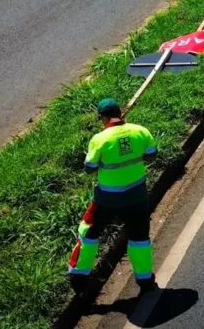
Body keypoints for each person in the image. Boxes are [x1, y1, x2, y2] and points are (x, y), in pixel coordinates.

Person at [67, 98, 158, 293]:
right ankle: (145, 279)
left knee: (89, 232)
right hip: (137, 196)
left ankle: (79, 275)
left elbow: (89, 168)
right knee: (139, 236)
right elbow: (152, 154)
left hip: (107, 199)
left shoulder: (100, 139)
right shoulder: (140, 131)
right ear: (120, 112)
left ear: (103, 117)